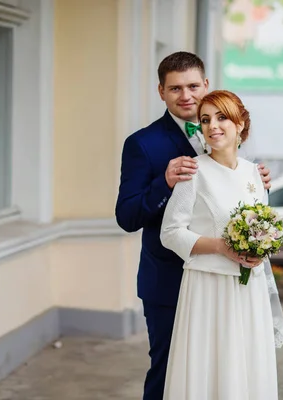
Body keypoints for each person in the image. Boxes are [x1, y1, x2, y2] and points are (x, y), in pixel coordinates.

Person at [115, 52, 272, 400]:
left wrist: (257, 184)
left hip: (230, 284)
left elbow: (235, 189)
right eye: (175, 88)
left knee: (227, 372)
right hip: (169, 281)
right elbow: (126, 217)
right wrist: (164, 182)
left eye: (192, 86)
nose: (185, 95)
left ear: (206, 85)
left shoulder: (225, 128)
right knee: (172, 374)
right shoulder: (142, 144)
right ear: (161, 92)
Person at [160, 90, 283, 400]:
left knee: (248, 369)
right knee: (211, 371)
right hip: (209, 289)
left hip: (250, 291)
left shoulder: (255, 175)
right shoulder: (194, 171)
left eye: (222, 117)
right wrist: (221, 247)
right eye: (205, 120)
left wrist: (260, 250)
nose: (212, 126)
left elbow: (261, 226)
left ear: (241, 125)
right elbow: (171, 232)